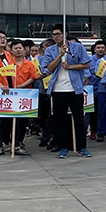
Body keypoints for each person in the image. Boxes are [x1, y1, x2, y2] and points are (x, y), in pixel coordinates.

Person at [40, 24, 93, 158]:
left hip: (75, 89)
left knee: (79, 119)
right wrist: (60, 55)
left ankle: (82, 147)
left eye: (58, 34)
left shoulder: (77, 47)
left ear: (66, 34)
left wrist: (70, 66)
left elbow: (86, 64)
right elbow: (49, 68)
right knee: (60, 120)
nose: (56, 37)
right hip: (58, 89)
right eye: (54, 34)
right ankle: (63, 146)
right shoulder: (50, 50)